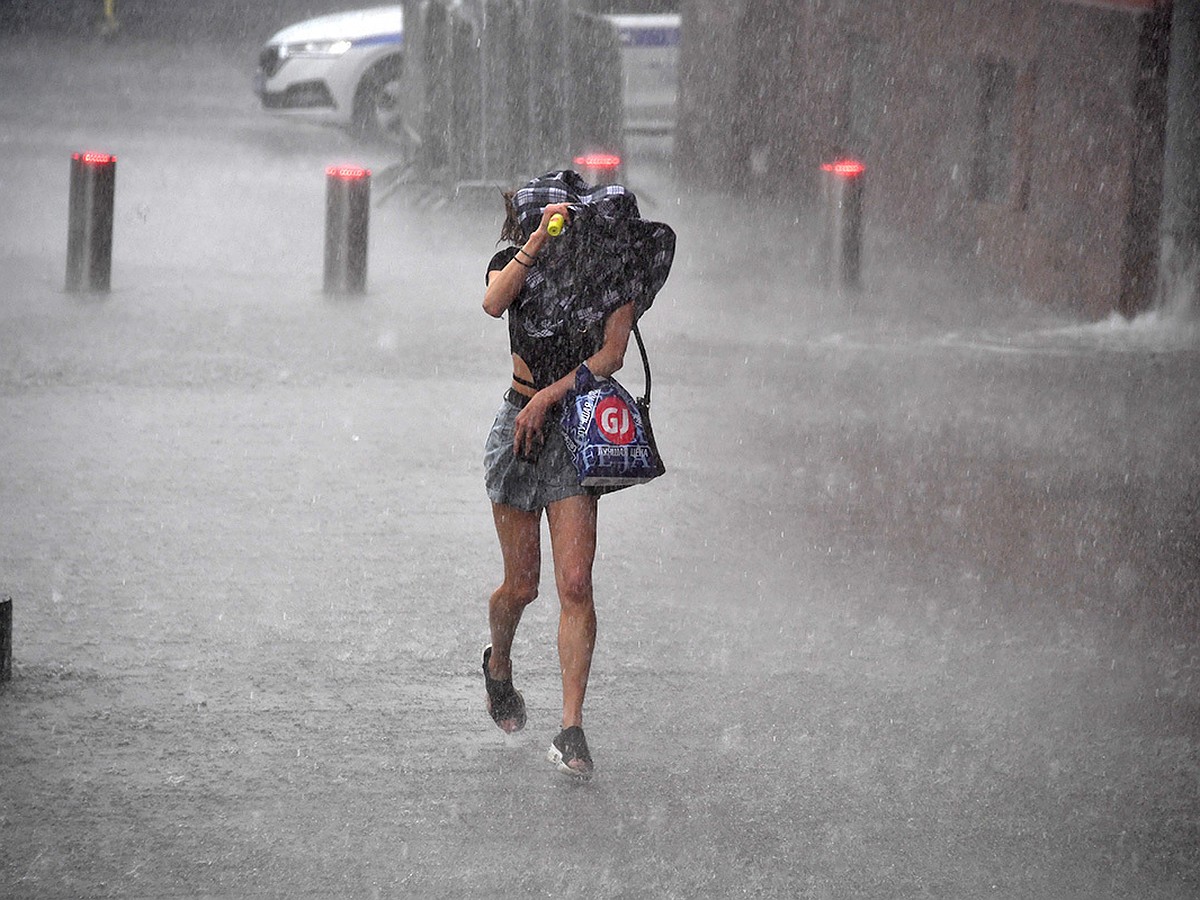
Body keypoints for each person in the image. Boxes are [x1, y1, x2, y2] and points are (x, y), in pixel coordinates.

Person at [480, 183, 636, 780]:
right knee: (522, 588)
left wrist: (551, 395)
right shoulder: (517, 256)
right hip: (517, 431)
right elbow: (494, 303)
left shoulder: (614, 273)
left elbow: (613, 352)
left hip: (572, 431)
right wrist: (539, 242)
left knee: (576, 582)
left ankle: (571, 728)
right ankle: (499, 665)